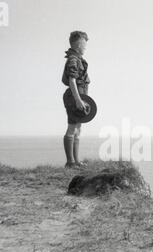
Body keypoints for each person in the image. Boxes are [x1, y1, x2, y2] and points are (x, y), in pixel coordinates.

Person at [61, 30, 91, 168]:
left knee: (78, 129)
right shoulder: (73, 60)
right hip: (74, 97)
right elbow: (72, 81)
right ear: (78, 45)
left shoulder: (77, 58)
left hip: (80, 96)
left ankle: (76, 161)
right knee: (72, 129)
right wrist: (78, 100)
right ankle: (70, 162)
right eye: (84, 45)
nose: (85, 47)